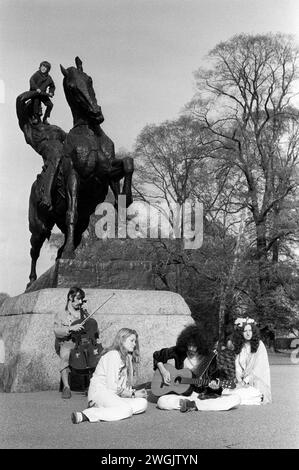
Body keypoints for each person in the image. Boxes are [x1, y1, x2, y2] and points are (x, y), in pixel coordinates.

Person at [153, 324, 240, 413]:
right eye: (189, 345)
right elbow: (157, 356)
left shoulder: (209, 358)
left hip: (199, 395)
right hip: (179, 394)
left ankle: (191, 404)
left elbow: (214, 379)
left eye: (194, 346)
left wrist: (215, 387)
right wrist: (163, 372)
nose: (191, 348)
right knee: (162, 402)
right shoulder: (178, 352)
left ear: (201, 345)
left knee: (235, 399)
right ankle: (193, 405)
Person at [71, 328, 148, 423]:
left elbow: (123, 386)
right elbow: (112, 387)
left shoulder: (127, 357)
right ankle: (87, 414)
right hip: (101, 393)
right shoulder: (113, 355)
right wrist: (132, 394)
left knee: (142, 403)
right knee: (126, 410)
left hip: (115, 395)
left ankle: (110, 410)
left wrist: (134, 393)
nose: (134, 344)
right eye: (131, 340)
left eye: (135, 341)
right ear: (122, 340)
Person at [53, 286, 95, 399]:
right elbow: (57, 331)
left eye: (82, 299)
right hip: (67, 343)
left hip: (82, 343)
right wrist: (71, 328)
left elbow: (92, 328)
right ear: (70, 297)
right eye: (78, 299)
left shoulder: (84, 312)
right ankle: (66, 387)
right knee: (65, 356)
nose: (81, 302)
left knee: (93, 356)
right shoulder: (61, 314)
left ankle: (91, 386)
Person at [222, 317, 272, 405]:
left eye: (250, 330)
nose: (248, 333)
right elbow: (236, 364)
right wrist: (238, 379)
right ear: (241, 333)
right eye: (245, 331)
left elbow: (258, 368)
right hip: (239, 380)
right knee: (227, 393)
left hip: (254, 381)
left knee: (249, 395)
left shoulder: (259, 345)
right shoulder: (238, 345)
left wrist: (245, 381)